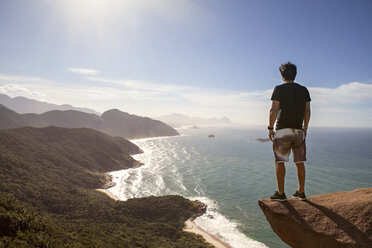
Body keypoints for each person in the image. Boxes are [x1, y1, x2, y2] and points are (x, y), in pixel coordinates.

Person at [268, 62, 311, 201]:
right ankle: (301, 192)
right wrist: (305, 127)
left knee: (280, 161)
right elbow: (307, 111)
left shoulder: (279, 89)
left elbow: (274, 109)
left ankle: (281, 194)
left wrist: (270, 127)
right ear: (295, 74)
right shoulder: (304, 90)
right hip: (298, 130)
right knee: (299, 162)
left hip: (283, 130)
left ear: (282, 75)